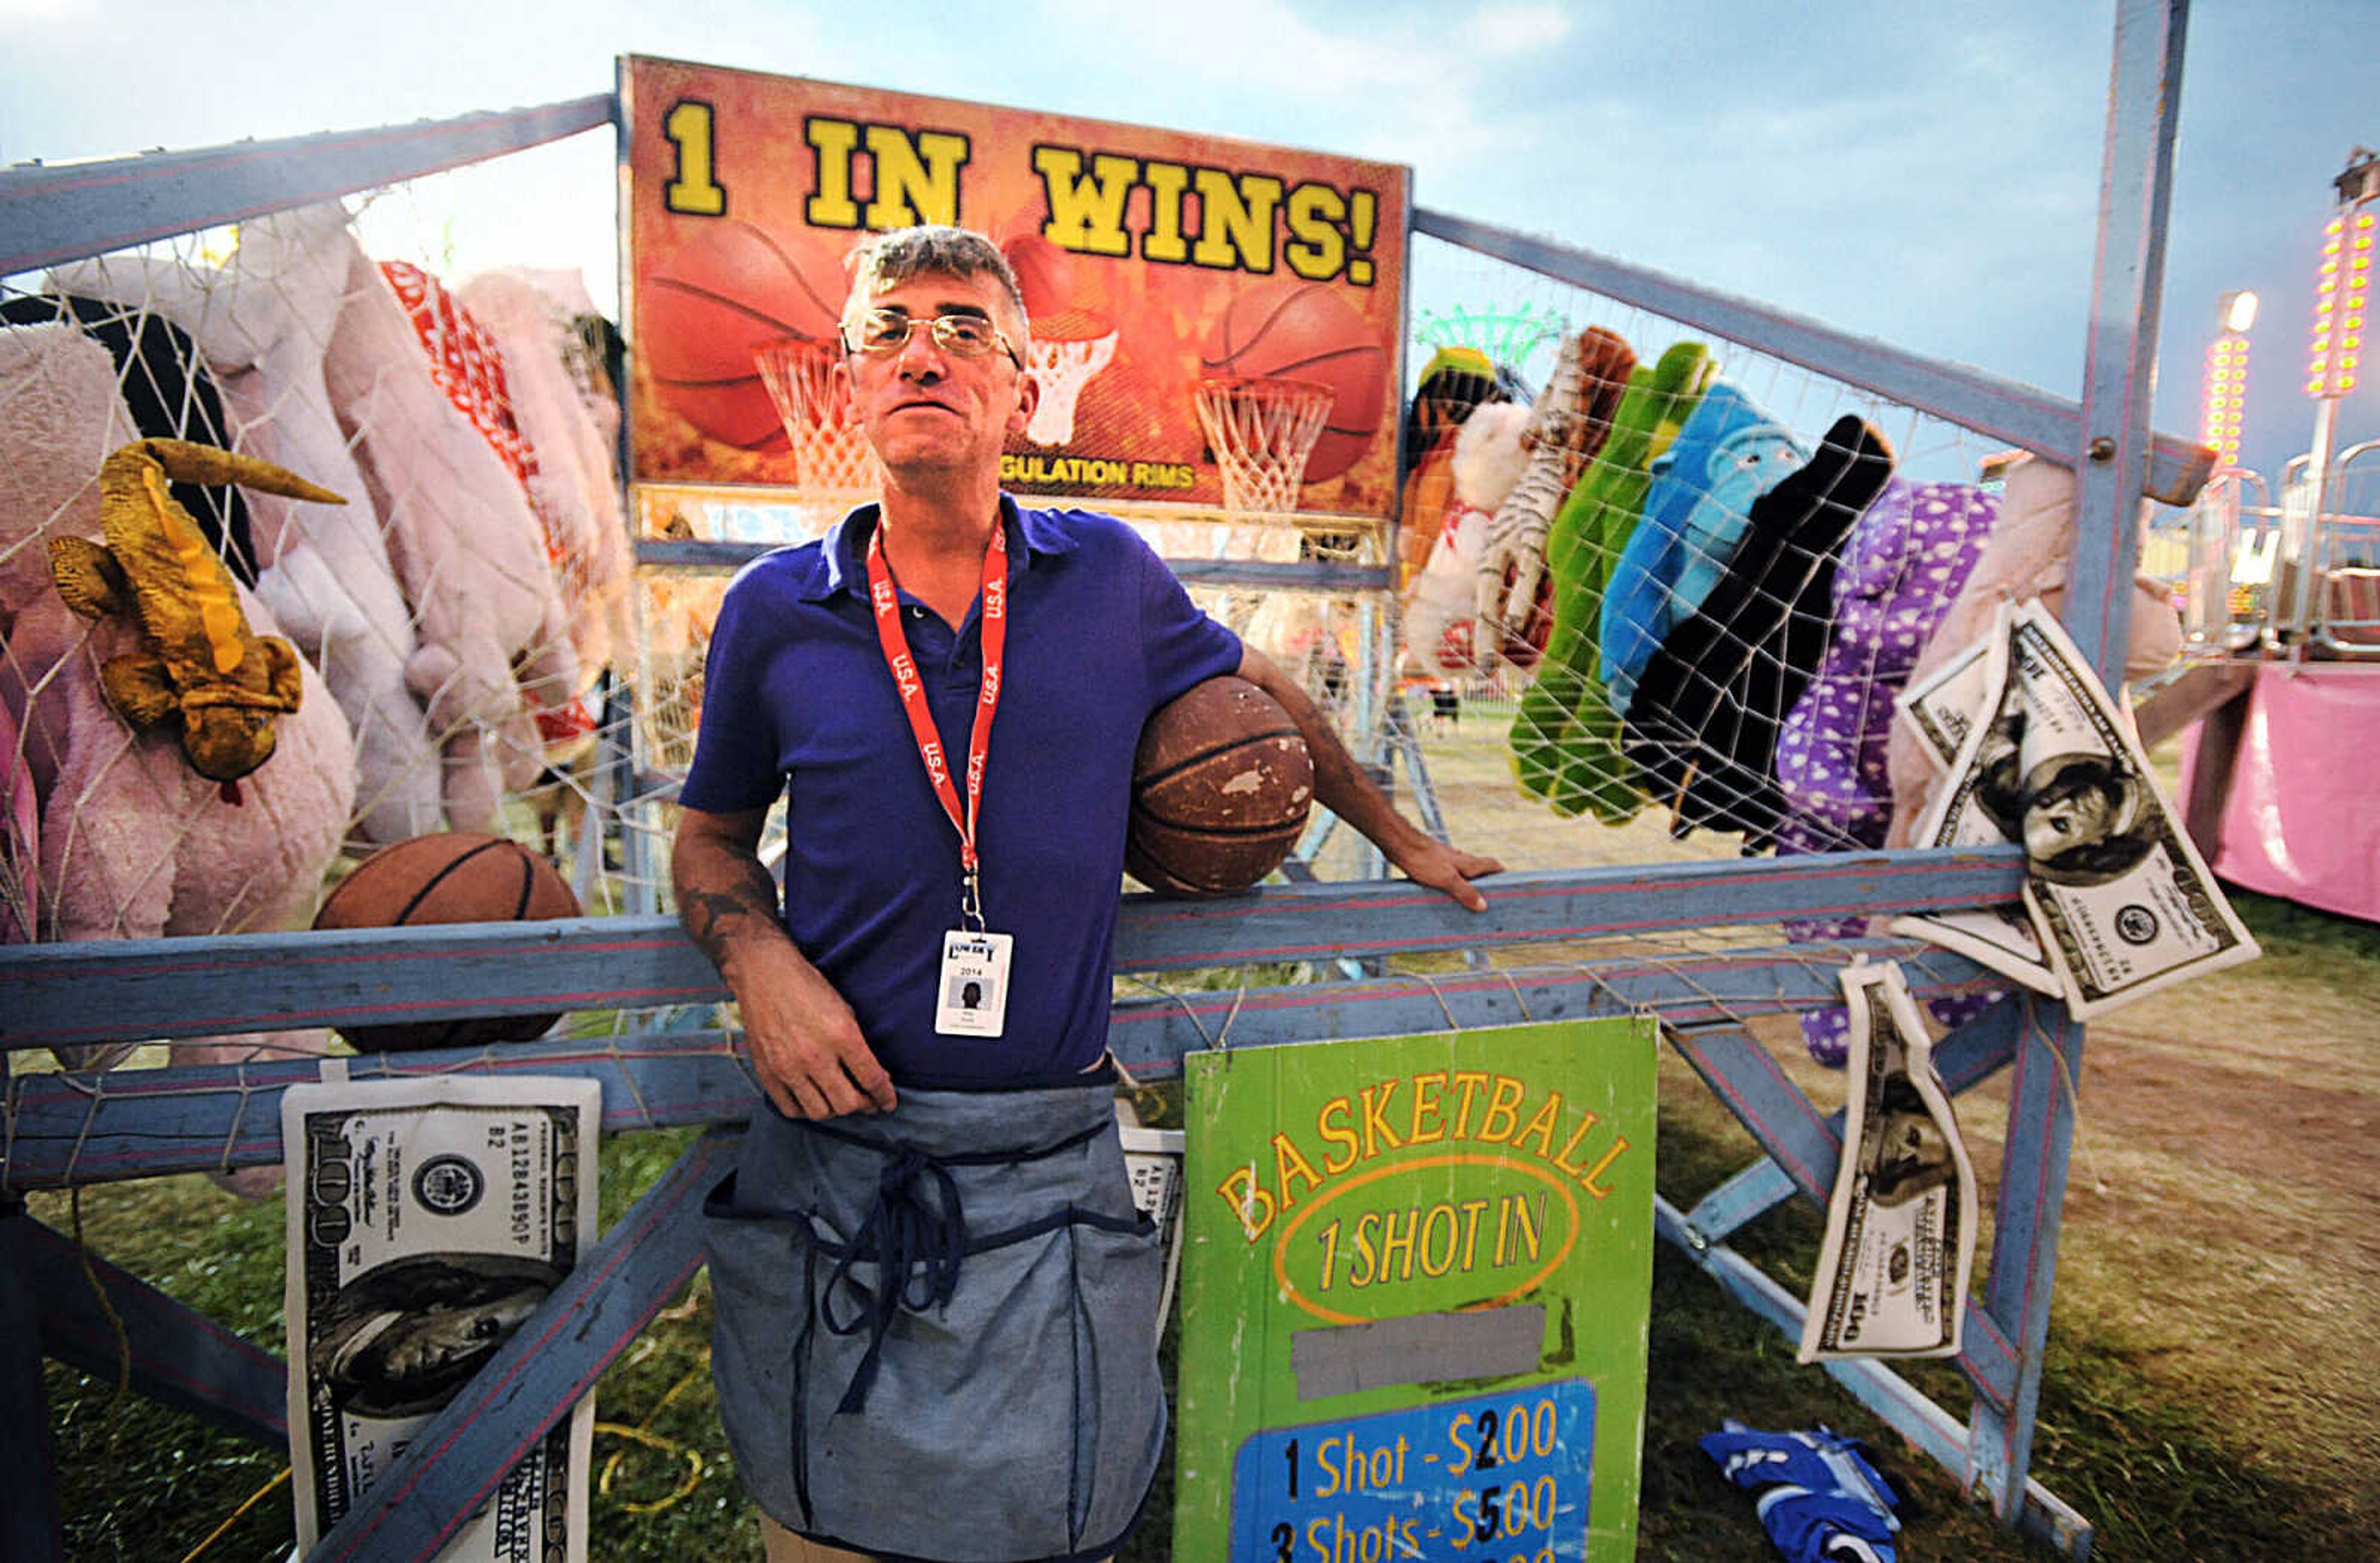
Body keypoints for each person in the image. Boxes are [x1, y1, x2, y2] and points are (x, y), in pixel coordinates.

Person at [672, 225, 1502, 1563]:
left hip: (1046, 1165)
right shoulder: (778, 609)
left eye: (963, 329)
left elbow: (1264, 696)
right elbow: (708, 836)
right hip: (841, 1160)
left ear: (1020, 392)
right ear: (848, 382)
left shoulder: (1108, 575)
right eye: (886, 328)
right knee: (824, 1529)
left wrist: (1401, 836)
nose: (921, 351)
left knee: (1071, 1517)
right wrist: (754, 961)